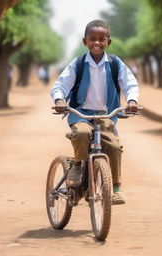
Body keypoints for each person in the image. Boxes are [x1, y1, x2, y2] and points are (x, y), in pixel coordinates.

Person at [50, 20, 139, 205]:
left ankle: (115, 187)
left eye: (101, 39)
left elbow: (129, 82)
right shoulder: (79, 63)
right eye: (92, 39)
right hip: (81, 113)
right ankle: (77, 165)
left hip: (106, 114)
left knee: (113, 146)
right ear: (85, 41)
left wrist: (132, 100)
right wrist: (59, 99)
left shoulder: (115, 63)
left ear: (109, 41)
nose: (96, 42)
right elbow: (61, 84)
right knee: (82, 133)